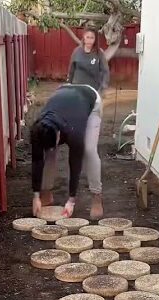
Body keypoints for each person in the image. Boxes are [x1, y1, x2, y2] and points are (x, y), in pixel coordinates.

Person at [31, 83, 104, 219]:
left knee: (89, 150)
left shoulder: (74, 130)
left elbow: (75, 163)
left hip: (89, 98)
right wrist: (36, 195)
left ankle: (97, 197)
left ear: (59, 134)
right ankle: (45, 193)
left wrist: (71, 200)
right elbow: (36, 160)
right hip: (63, 92)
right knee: (49, 153)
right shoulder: (37, 128)